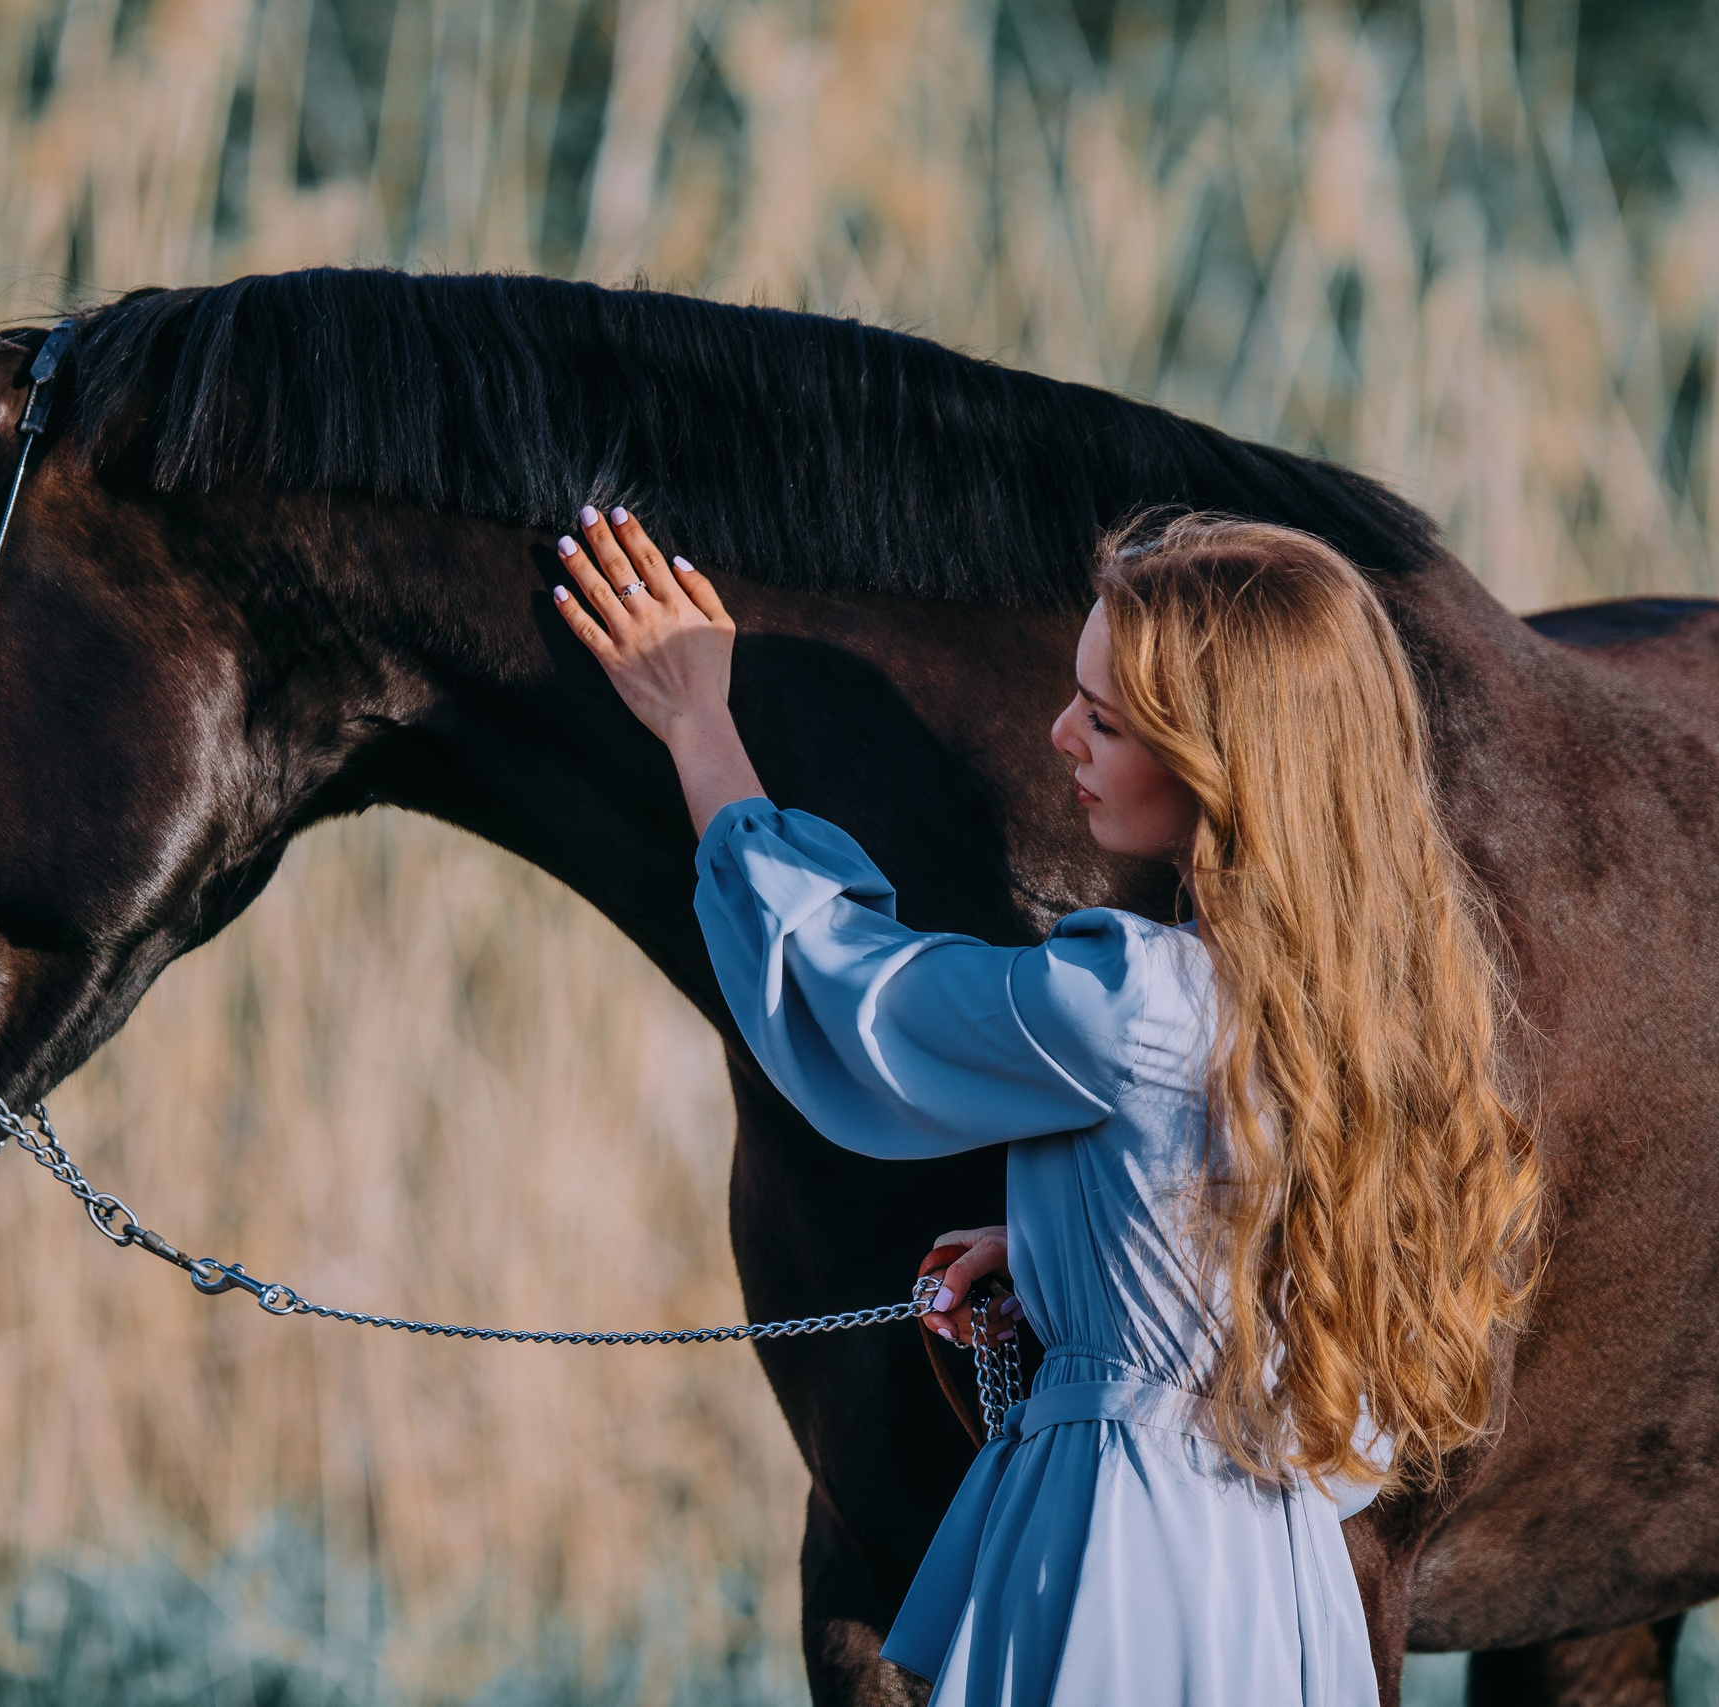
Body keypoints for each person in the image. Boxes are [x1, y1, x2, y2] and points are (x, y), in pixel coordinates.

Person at [548, 500, 1542, 1706]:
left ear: (1226, 761)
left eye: (1108, 720)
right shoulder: (1375, 1005)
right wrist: (1078, 1250)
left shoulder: (1133, 1000)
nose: (1060, 733)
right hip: (1275, 1583)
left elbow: (854, 1000)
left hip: (1126, 1558)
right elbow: (1263, 1242)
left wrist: (697, 722)